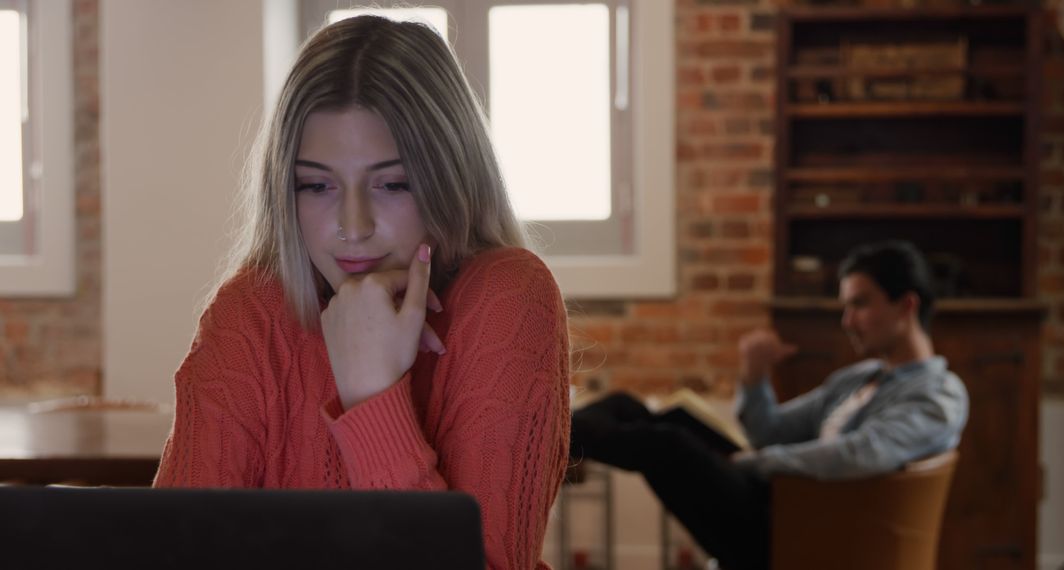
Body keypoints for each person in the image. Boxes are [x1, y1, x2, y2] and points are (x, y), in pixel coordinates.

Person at [154, 15, 570, 570]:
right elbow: (171, 551)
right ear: (286, 189)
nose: (353, 224)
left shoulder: (506, 299)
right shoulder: (250, 313)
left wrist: (373, 398)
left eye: (393, 183)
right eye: (317, 185)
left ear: (451, 177)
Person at [570, 240, 968, 570]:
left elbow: (863, 453)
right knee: (631, 407)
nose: (848, 321)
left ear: (906, 306)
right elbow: (769, 431)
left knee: (669, 445)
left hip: (803, 533)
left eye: (860, 304)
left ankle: (540, 438)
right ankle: (559, 439)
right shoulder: (859, 379)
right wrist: (755, 376)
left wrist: (756, 463)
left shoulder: (937, 395)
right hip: (783, 503)